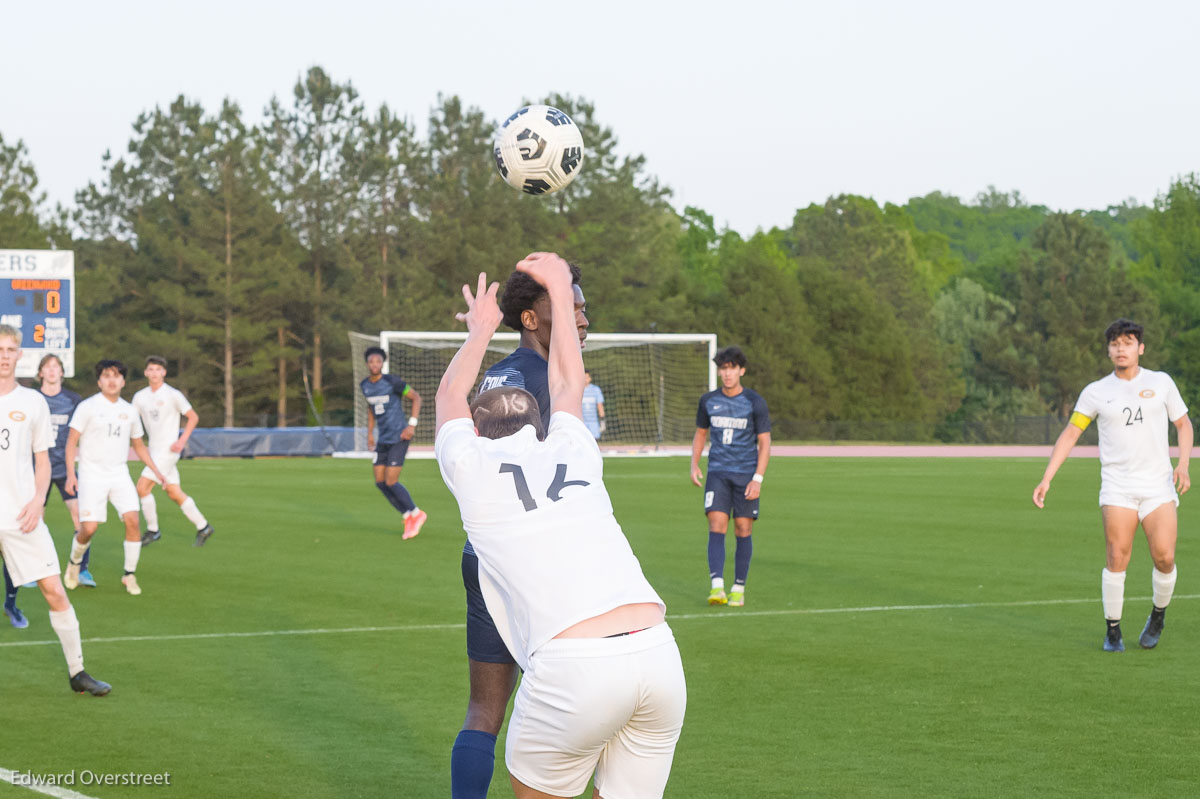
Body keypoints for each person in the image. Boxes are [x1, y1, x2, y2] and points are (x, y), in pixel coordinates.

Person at [436, 258, 685, 799]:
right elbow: (570, 383)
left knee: (484, 710)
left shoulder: (471, 474)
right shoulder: (577, 451)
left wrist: (480, 329)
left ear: (474, 432)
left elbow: (449, 397)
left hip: (569, 657)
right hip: (658, 654)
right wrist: (557, 285)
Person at [449, 262, 589, 799]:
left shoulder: (495, 375)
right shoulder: (548, 382)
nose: (582, 316)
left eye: (582, 304)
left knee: (484, 709)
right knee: (576, 703)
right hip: (540, 561)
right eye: (568, 303)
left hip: (483, 552)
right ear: (530, 317)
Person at [1033, 318, 1192, 652]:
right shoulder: (1096, 391)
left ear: (1140, 348)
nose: (1121, 349)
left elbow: (1183, 424)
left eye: (1128, 342)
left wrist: (1184, 464)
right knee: (1116, 556)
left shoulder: (1161, 383)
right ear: (1108, 351)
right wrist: (1047, 477)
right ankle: (1113, 630)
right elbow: (1072, 433)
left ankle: (1158, 614)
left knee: (1164, 557)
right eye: (1115, 344)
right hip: (1118, 487)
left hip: (1157, 486)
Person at [0, 325, 110, 695]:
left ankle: (78, 673)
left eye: (10, 349)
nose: (4, 355)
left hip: (21, 515)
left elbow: (43, 461)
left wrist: (36, 501)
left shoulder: (32, 402)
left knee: (54, 591)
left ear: (19, 355)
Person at [63, 360, 165, 596]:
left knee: (132, 520)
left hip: (119, 474)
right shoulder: (87, 407)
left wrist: (156, 470)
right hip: (91, 475)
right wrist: (71, 474)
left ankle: (129, 574)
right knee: (88, 529)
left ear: (123, 381)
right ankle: (74, 564)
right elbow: (71, 442)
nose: (112, 380)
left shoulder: (129, 411)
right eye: (106, 376)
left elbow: (138, 445)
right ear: (99, 381)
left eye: (116, 376)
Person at [690, 346, 772, 608]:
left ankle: (739, 587)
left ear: (741, 371)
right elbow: (701, 433)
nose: (727, 374)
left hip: (746, 475)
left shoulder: (754, 402)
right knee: (716, 525)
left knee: (743, 528)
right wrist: (694, 464)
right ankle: (717, 587)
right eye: (723, 369)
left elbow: (765, 443)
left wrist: (757, 479)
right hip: (718, 473)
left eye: (732, 369)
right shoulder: (708, 401)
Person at [132, 356, 214, 547]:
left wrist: (181, 441)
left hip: (168, 451)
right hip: (153, 450)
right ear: (145, 372)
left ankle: (153, 530)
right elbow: (131, 418)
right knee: (173, 492)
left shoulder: (173, 394)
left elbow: (193, 417)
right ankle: (203, 526)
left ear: (164, 373)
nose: (154, 373)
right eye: (151, 369)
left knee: (142, 487)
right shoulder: (140, 397)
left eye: (158, 369)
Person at [359, 346, 426, 539]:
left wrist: (412, 425)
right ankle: (408, 516)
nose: (375, 364)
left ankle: (416, 513)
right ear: (367, 364)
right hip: (383, 439)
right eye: (371, 361)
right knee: (380, 482)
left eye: (378, 361)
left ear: (382, 363)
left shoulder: (392, 382)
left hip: (399, 436)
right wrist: (370, 433)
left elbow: (416, 397)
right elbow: (371, 409)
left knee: (391, 481)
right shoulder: (365, 385)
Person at [37, 354, 92, 583]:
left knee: (81, 518)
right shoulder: (32, 399)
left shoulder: (73, 399)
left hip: (65, 467)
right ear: (40, 373)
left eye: (56, 367)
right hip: (37, 468)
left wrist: (74, 471)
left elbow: (81, 433)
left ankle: (81, 568)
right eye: (47, 367)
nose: (51, 371)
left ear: (62, 372)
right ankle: (36, 569)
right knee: (35, 520)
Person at [582, 369, 606, 440]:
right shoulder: (578, 389)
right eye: (584, 377)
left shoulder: (596, 390)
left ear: (590, 378)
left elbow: (600, 406)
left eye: (587, 377)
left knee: (594, 442)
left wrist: (602, 421)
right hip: (582, 422)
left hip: (593, 422)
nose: (585, 379)